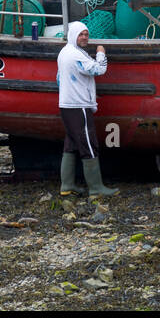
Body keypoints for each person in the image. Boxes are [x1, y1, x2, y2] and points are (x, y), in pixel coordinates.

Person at [56, 21, 117, 196]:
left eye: (86, 34)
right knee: (89, 145)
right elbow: (99, 70)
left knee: (71, 144)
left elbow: (59, 78)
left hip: (66, 105)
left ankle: (67, 185)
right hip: (78, 106)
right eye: (81, 34)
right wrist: (100, 53)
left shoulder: (64, 52)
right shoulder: (76, 55)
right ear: (73, 35)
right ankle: (96, 188)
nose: (84, 37)